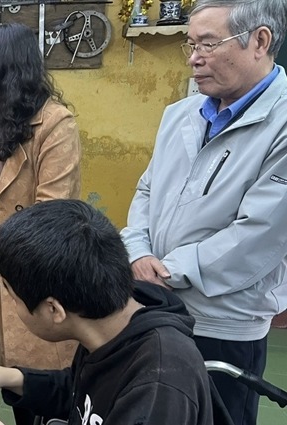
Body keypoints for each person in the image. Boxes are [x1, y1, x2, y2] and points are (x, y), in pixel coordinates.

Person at [121, 1, 287, 423]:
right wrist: (137, 252)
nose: (194, 58)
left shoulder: (281, 124)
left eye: (208, 45)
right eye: (190, 44)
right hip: (156, 305)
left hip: (223, 324)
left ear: (260, 41)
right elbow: (146, 189)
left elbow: (259, 236)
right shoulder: (180, 113)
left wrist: (165, 272)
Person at [0, 199, 218, 425]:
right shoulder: (109, 325)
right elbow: (81, 397)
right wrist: (5, 376)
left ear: (54, 309)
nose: (11, 305)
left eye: (11, 295)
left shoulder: (160, 387)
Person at [0, 23, 81, 425]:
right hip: (4, 277)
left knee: (44, 390)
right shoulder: (6, 118)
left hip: (39, 281)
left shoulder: (56, 125)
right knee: (17, 391)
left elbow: (50, 214)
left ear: (10, 72)